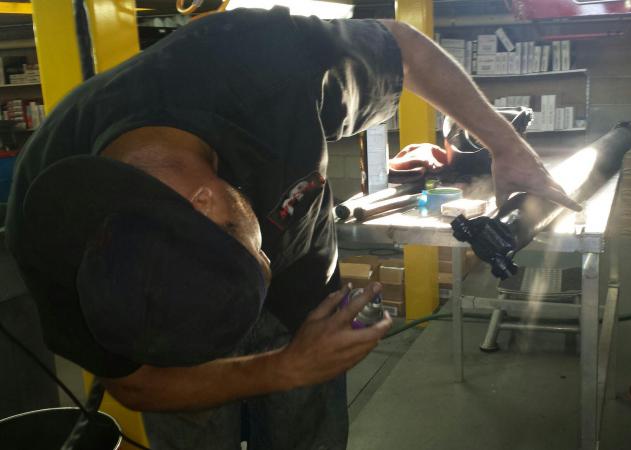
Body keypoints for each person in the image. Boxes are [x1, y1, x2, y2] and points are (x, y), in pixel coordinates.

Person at [4, 6, 578, 450]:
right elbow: (134, 383)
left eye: (254, 252)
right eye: (255, 256)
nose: (261, 260)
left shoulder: (261, 63)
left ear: (207, 198)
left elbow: (403, 49)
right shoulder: (44, 225)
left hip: (303, 295)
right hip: (173, 348)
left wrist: (508, 148)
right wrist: (283, 367)